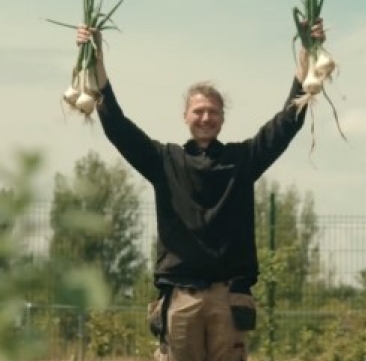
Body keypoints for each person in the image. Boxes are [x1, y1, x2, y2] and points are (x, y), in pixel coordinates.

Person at [75, 19, 327, 361]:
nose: (206, 117)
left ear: (222, 118)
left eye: (213, 112)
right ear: (185, 116)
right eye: (199, 111)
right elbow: (118, 126)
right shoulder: (164, 161)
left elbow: (287, 122)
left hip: (229, 297)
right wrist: (94, 57)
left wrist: (308, 55)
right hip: (181, 299)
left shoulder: (243, 159)